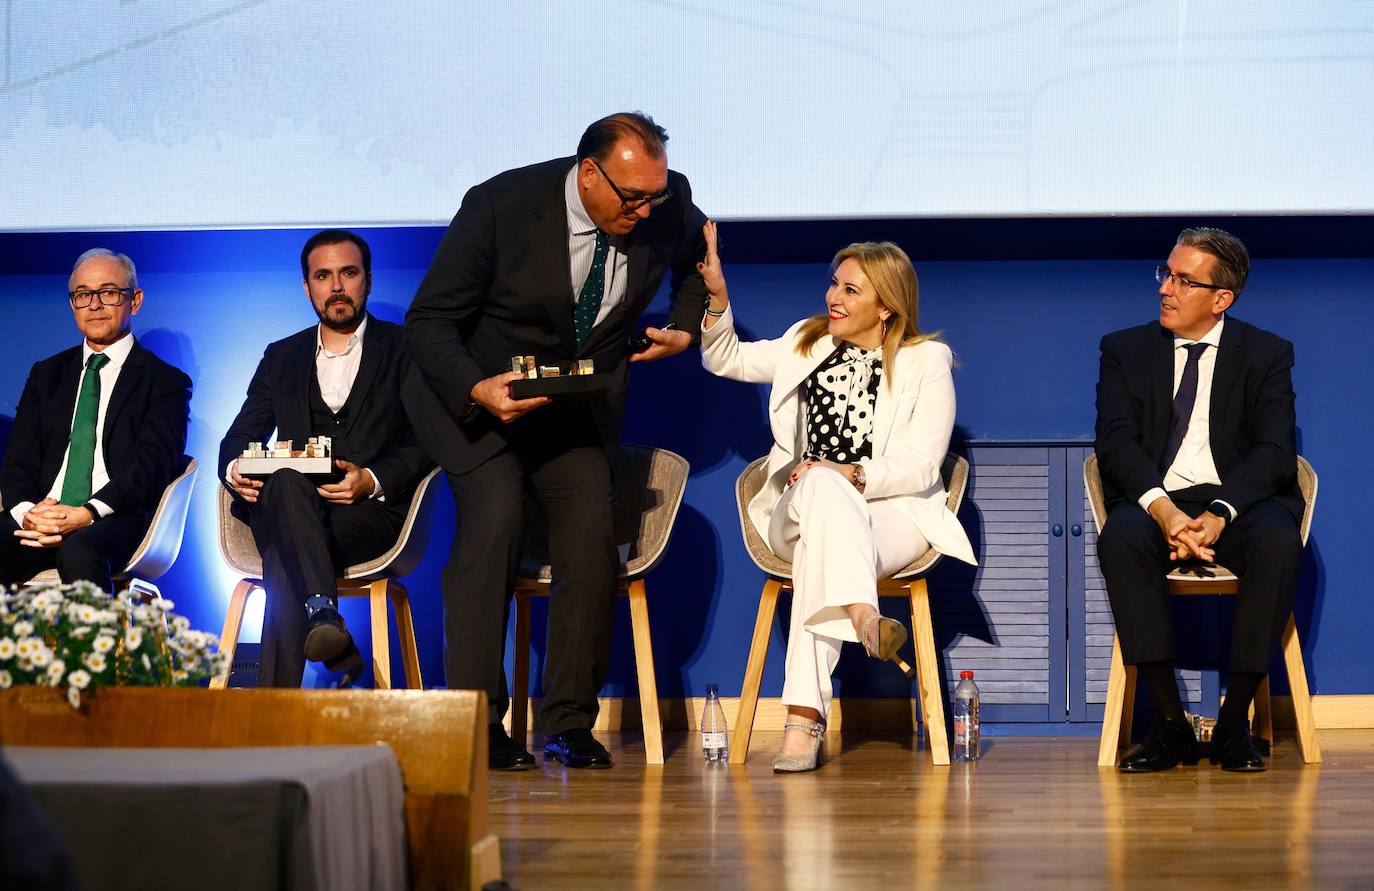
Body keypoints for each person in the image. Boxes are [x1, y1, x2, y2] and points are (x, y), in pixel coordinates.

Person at [404, 112, 708, 770]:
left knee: (590, 536)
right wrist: (476, 387)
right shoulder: (501, 206)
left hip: (570, 407)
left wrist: (685, 325)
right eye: (632, 197)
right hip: (479, 401)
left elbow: (694, 259)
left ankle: (569, 722)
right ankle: (480, 722)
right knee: (496, 521)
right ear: (589, 174)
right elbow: (428, 321)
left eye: (654, 195)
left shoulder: (665, 200)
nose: (646, 210)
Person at [698, 221, 976, 772]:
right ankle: (864, 619)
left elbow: (922, 463)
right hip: (797, 509)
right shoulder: (808, 340)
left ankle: (803, 720)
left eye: (851, 289)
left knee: (820, 547)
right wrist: (717, 297)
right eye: (834, 283)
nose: (833, 296)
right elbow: (724, 359)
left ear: (887, 306)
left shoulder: (927, 361)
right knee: (819, 487)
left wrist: (850, 473)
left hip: (893, 514)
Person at [1095, 227, 1302, 773]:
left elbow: (1275, 451)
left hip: (1237, 503)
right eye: (1165, 273)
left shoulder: (1266, 353)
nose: (1166, 288)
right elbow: (1116, 441)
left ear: (1221, 299)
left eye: (1185, 281)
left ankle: (1235, 722)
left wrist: (1218, 514)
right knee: (1120, 538)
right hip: (1160, 497)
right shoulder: (1124, 350)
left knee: (1279, 541)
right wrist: (1164, 511)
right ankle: (1169, 723)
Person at [220, 230, 432, 688]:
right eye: (323, 276)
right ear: (307, 287)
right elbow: (238, 435)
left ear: (368, 281)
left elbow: (429, 438)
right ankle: (323, 616)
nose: (336, 286)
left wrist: (372, 479)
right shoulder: (281, 356)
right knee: (287, 484)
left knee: (283, 551)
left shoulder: (406, 348)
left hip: (366, 516)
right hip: (290, 505)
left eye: (348, 273)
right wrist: (236, 469)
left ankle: (278, 709)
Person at [0, 249, 190, 592]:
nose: (95, 305)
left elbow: (153, 466)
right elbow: (18, 461)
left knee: (79, 550)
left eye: (109, 292)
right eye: (83, 294)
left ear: (134, 301)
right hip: (44, 515)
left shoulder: (165, 381)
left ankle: (90, 648)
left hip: (113, 516)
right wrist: (29, 512)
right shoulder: (47, 374)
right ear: (72, 304)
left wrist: (87, 513)